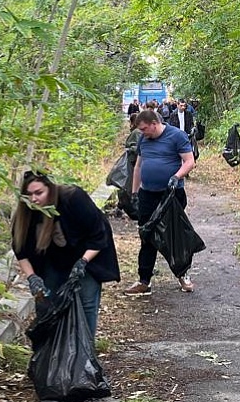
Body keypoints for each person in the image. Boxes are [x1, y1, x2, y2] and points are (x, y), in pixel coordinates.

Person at [12, 170, 120, 334]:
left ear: (50, 188)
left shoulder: (73, 198)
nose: (34, 199)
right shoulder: (27, 212)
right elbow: (21, 251)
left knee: (86, 302)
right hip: (53, 259)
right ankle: (50, 352)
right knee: (47, 304)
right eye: (29, 195)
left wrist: (83, 262)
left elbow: (98, 234)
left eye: (39, 193)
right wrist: (32, 277)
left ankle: (85, 352)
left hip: (88, 254)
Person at [124, 109, 196, 295]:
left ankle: (183, 276)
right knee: (146, 236)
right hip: (147, 194)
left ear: (154, 124)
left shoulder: (176, 136)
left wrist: (176, 176)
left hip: (171, 195)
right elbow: (139, 166)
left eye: (144, 128)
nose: (142, 132)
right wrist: (134, 193)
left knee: (175, 237)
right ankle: (144, 281)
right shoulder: (143, 139)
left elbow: (189, 161)